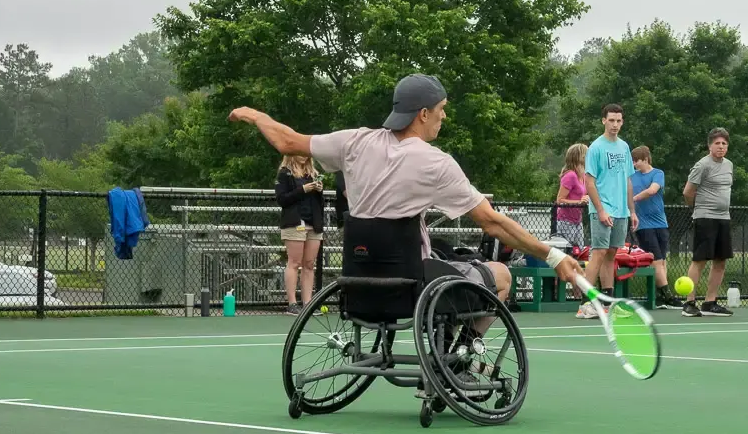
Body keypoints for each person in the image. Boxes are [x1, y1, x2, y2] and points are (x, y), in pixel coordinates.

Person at [228, 73, 582, 326]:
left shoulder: (353, 142)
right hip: (415, 285)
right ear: (423, 114)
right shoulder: (436, 163)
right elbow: (490, 221)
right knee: (500, 274)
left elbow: (289, 142)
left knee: (447, 253)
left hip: (360, 285)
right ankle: (462, 356)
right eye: (441, 108)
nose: (444, 115)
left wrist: (257, 115)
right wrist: (553, 255)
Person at [576, 104, 637, 319]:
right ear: (603, 120)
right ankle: (585, 303)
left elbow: (628, 181)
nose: (615, 124)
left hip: (621, 211)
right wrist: (601, 210)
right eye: (611, 120)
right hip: (603, 209)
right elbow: (589, 183)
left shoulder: (624, 147)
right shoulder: (596, 148)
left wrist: (632, 211)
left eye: (619, 121)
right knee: (599, 253)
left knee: (612, 254)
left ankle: (607, 302)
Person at [681, 127, 735, 317]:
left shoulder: (729, 165)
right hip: (705, 218)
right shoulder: (702, 165)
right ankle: (689, 303)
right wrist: (697, 209)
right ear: (709, 145)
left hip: (724, 218)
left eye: (724, 144)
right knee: (700, 260)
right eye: (717, 143)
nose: (721, 147)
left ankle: (710, 302)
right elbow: (688, 192)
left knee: (720, 261)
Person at [274, 154, 324, 315]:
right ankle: (292, 303)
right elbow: (282, 199)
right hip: (295, 222)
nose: (303, 156)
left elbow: (318, 201)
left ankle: (308, 303)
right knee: (294, 262)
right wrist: (303, 189)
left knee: (309, 264)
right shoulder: (284, 173)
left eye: (305, 153)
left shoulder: (312, 174)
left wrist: (318, 189)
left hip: (313, 222)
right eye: (299, 153)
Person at [630, 146, 679, 309]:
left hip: (660, 223)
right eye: (633, 161)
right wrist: (631, 203)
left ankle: (659, 298)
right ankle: (668, 295)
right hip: (643, 226)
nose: (635, 164)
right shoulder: (630, 177)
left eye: (637, 161)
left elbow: (652, 190)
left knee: (662, 262)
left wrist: (634, 198)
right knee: (655, 261)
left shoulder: (658, 173)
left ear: (645, 159)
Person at [555, 143, 589, 249]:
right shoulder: (570, 175)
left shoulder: (583, 175)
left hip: (577, 220)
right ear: (580, 157)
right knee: (567, 250)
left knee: (580, 249)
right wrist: (579, 202)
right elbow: (559, 200)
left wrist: (586, 198)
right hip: (566, 220)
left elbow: (584, 193)